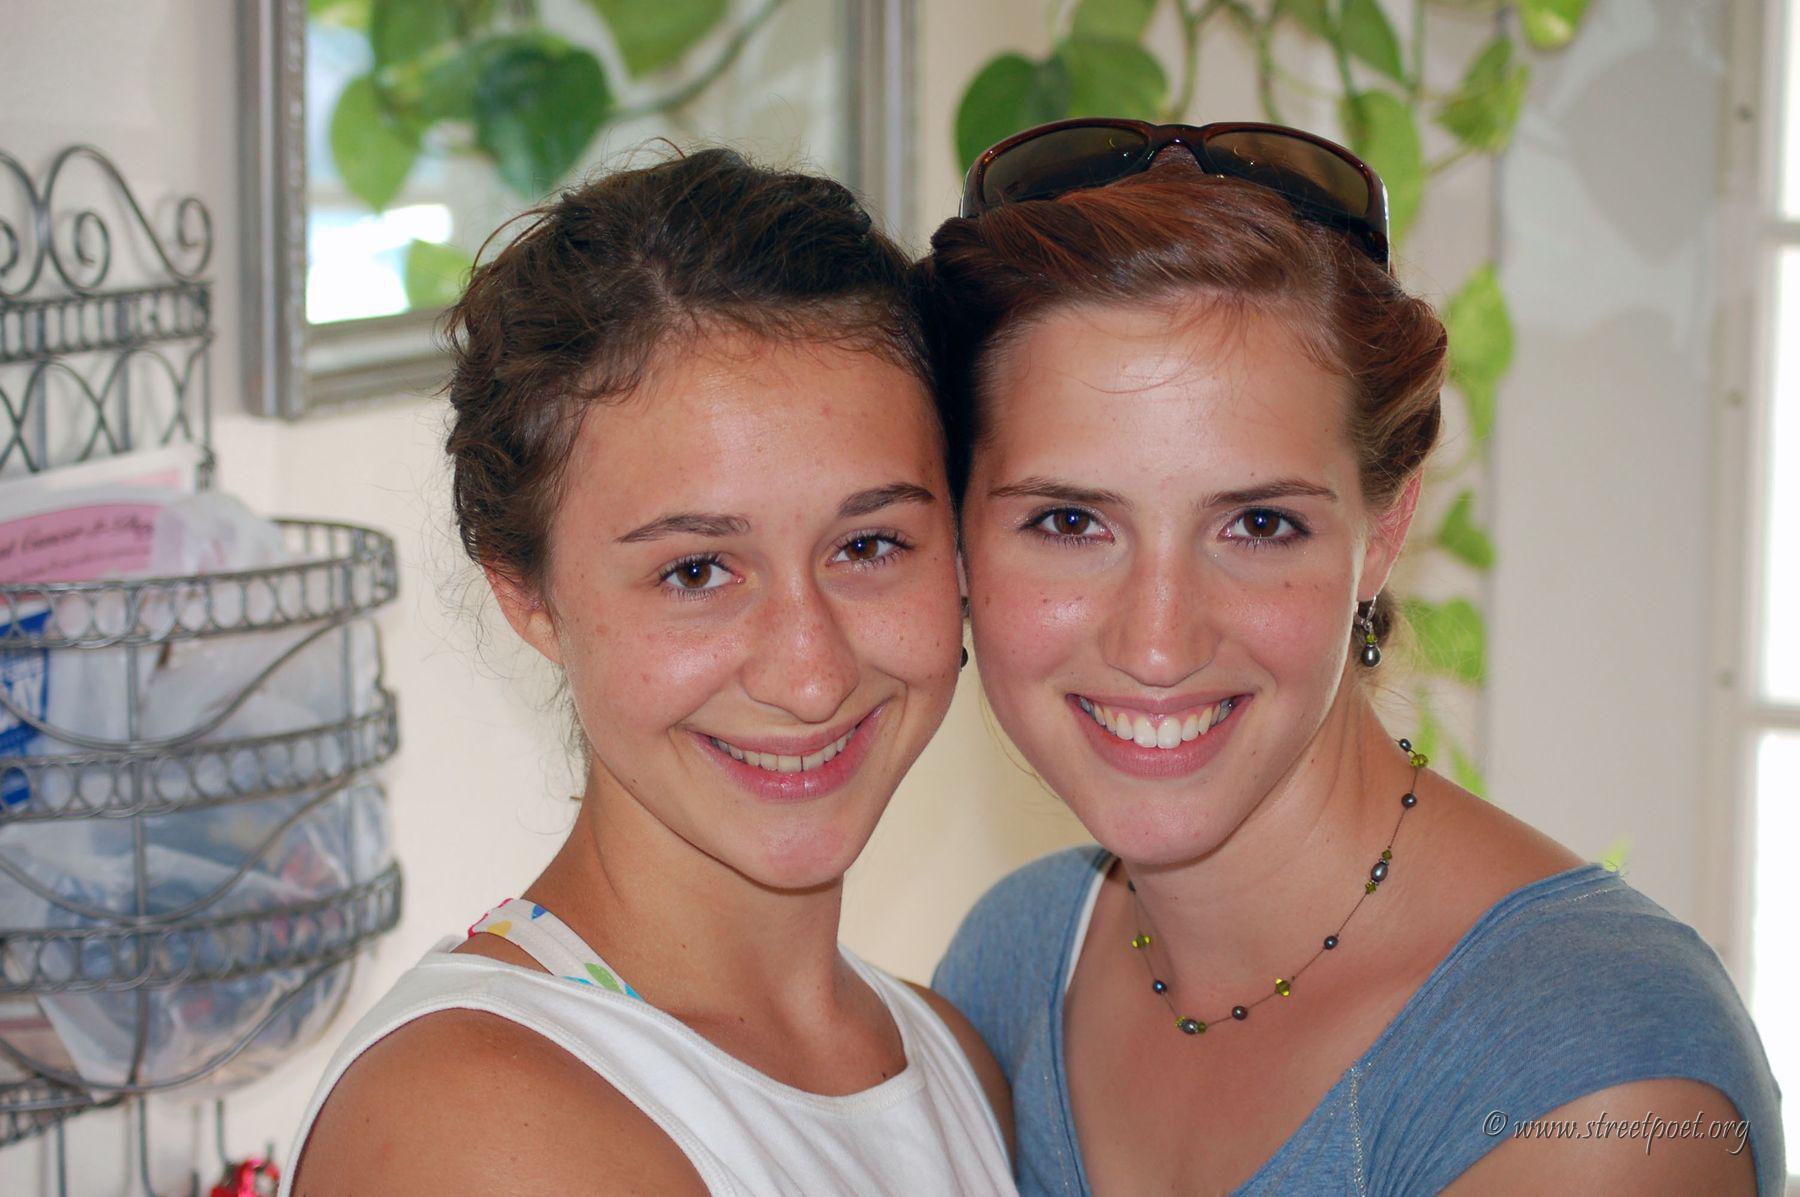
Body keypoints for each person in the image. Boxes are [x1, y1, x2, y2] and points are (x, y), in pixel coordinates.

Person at [923, 118, 1784, 1194]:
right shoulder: (1012, 966)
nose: (1157, 642)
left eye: (1258, 525)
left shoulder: (1593, 1077)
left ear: (1383, 532)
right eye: (1068, 522)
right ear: (957, 535)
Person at [284, 148, 1014, 1196]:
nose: (809, 674)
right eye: (697, 570)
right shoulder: (480, 1128)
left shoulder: (952, 1058)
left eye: (867, 545)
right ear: (529, 596)